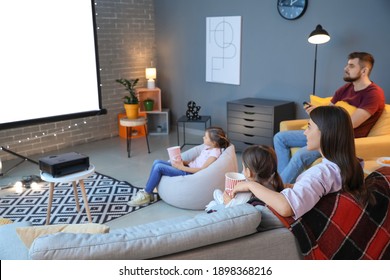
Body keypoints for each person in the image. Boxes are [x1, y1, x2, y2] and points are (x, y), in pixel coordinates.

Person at [231, 106, 375, 219]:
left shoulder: (320, 173)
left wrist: (251, 184)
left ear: (326, 133)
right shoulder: (352, 165)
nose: (305, 132)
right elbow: (316, 188)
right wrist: (291, 186)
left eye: (309, 127)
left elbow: (286, 208)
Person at [274, 51, 385, 183]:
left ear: (364, 71)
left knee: (301, 155)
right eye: (347, 65)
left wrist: (323, 116)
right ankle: (281, 181)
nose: (345, 68)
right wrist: (317, 112)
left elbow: (352, 123)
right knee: (280, 138)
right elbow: (328, 111)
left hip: (339, 140)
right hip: (323, 132)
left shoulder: (373, 94)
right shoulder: (345, 89)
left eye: (351, 66)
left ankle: (278, 189)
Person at [128, 126, 230, 206]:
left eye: (206, 137)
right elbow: (197, 161)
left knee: (159, 167)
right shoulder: (207, 147)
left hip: (189, 173)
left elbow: (202, 170)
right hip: (187, 167)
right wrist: (183, 162)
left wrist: (181, 167)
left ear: (214, 142)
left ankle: (145, 194)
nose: (203, 137)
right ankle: (148, 193)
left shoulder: (214, 154)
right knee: (157, 162)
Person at [205, 145, 284, 212]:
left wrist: (228, 202)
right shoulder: (273, 186)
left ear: (249, 172)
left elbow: (235, 210)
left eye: (243, 167)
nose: (242, 171)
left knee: (216, 194)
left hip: (231, 207)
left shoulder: (246, 193)